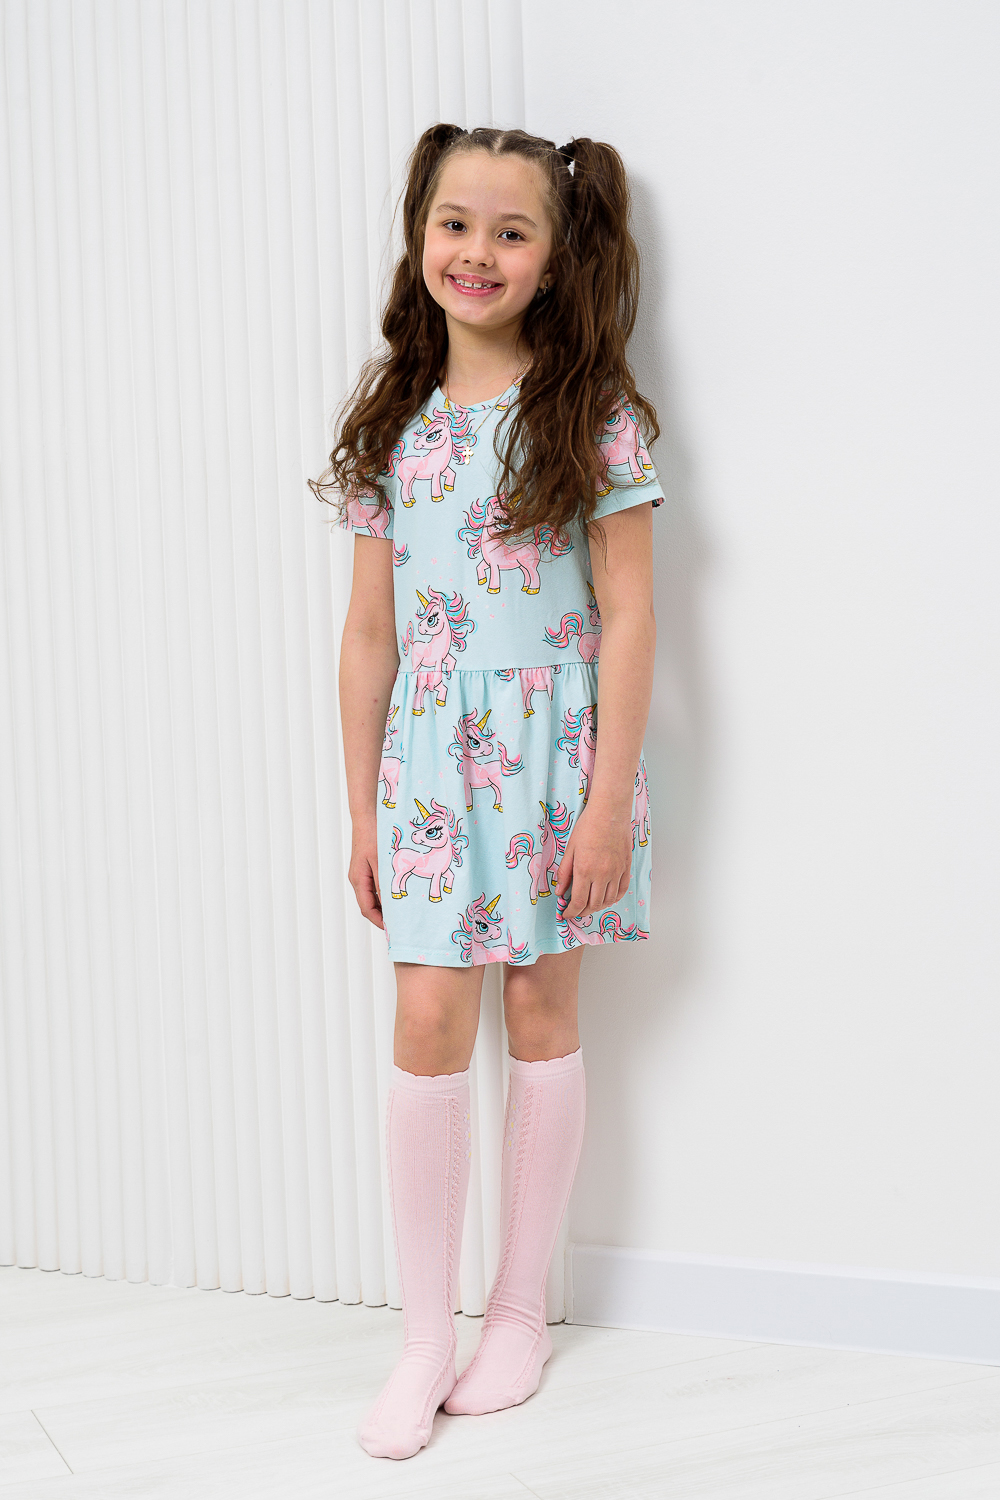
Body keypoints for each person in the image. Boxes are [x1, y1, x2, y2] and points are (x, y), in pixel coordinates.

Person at [310, 123, 664, 1461]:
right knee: (426, 1019)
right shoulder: (394, 421)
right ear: (421, 234)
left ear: (556, 258)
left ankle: (518, 1314)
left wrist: (606, 803)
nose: (478, 252)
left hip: (561, 758)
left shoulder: (592, 414)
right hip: (427, 766)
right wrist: (362, 811)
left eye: (512, 232)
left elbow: (630, 617)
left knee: (541, 1008)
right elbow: (368, 634)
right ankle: (423, 1339)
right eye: (455, 224)